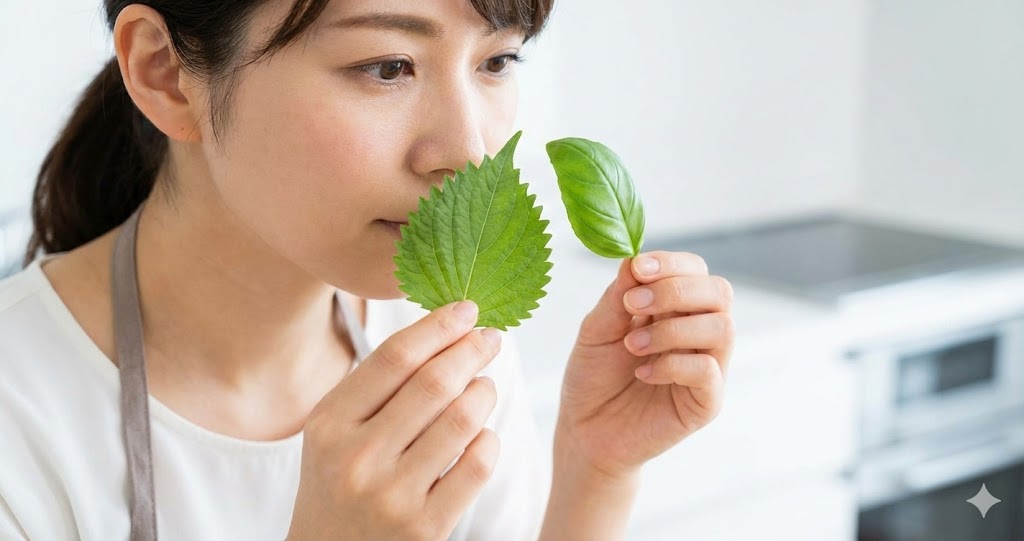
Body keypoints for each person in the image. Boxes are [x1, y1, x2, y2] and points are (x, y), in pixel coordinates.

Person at [0, 0, 736, 539]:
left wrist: (596, 471)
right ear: (164, 73)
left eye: (497, 61)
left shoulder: (442, 336)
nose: (469, 151)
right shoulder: (20, 420)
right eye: (389, 67)